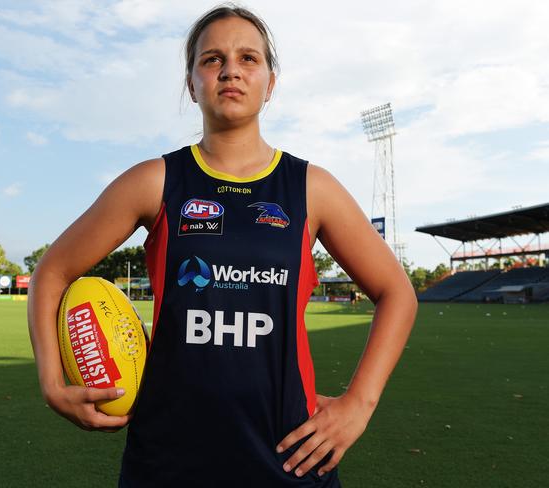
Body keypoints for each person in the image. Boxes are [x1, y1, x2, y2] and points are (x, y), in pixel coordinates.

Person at [27, 4, 418, 487]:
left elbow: (397, 291)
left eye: (248, 58)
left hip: (290, 459)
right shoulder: (155, 181)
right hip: (168, 462)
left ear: (270, 83)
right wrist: (51, 382)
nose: (230, 69)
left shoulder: (310, 188)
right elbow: (52, 271)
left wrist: (360, 403)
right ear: (191, 83)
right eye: (212, 59)